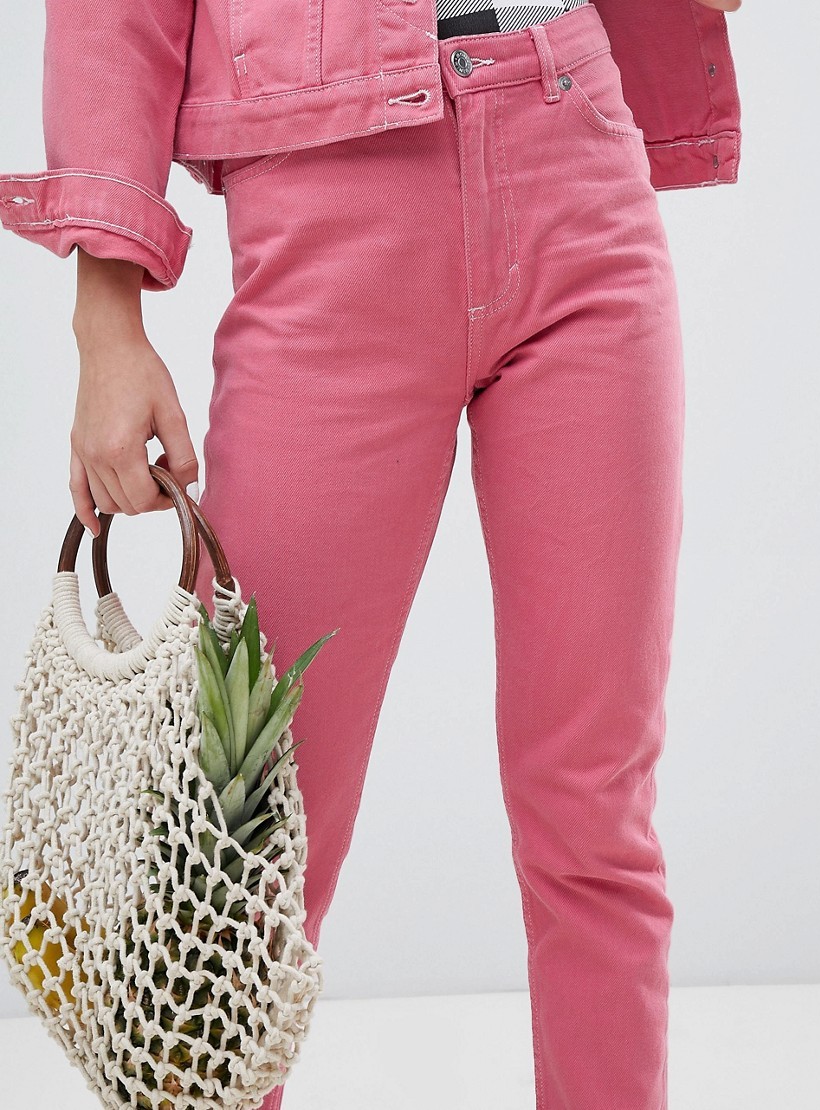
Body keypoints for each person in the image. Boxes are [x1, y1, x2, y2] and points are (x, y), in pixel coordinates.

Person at [0, 1, 743, 1107]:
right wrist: (105, 320)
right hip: (327, 198)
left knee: (596, 806)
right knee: (241, 819)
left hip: (577, 154)